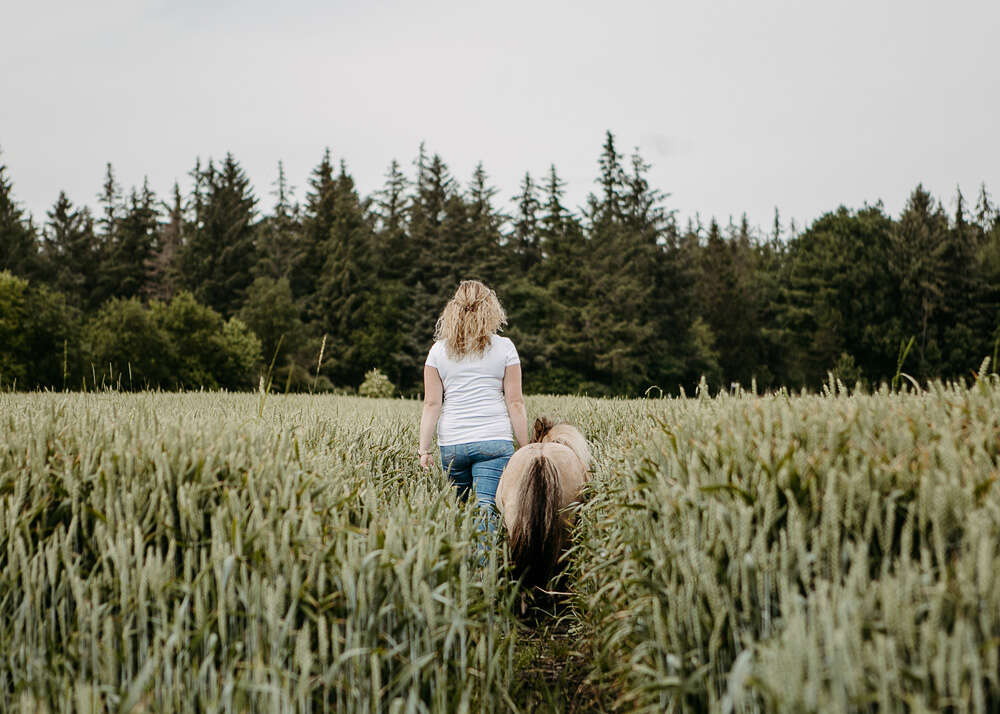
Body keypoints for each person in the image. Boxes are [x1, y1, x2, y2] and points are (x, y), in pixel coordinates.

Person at [418, 280, 529, 528]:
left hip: (453, 444)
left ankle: (459, 562)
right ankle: (484, 566)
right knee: (486, 509)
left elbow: (432, 404)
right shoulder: (505, 347)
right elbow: (515, 402)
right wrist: (525, 447)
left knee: (459, 512)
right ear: (490, 309)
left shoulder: (437, 351)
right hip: (494, 441)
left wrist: (424, 450)